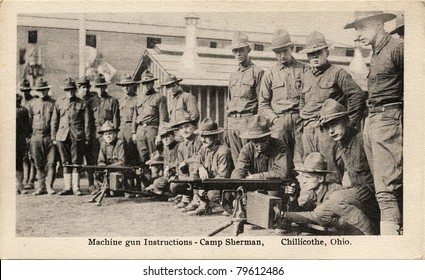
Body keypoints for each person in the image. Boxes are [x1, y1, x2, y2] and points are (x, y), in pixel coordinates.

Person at [344, 11, 403, 234]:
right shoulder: (376, 53)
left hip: (388, 118)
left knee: (386, 187)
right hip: (374, 119)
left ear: (379, 24)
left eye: (362, 27)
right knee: (379, 185)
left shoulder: (398, 48)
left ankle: (391, 242)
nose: (358, 34)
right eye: (356, 29)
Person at [298, 31, 366, 183]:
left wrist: (349, 123)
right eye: (311, 54)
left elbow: (358, 95)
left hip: (327, 130)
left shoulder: (337, 73)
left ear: (326, 52)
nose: (314, 57)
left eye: (318, 52)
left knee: (330, 171)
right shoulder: (306, 76)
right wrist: (303, 119)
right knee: (310, 171)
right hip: (308, 129)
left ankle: (331, 203)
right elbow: (302, 101)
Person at [318, 99, 380, 227]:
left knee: (337, 200)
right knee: (322, 211)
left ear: (346, 121)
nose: (330, 131)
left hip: (375, 198)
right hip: (359, 198)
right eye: (327, 127)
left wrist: (371, 188)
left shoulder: (363, 139)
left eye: (334, 125)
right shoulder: (341, 145)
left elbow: (383, 170)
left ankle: (369, 233)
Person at [284, 152, 376, 235]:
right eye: (303, 177)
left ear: (320, 179)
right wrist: (293, 198)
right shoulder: (314, 195)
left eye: (308, 177)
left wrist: (283, 215)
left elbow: (316, 216)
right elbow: (301, 215)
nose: (303, 181)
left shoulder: (334, 192)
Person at [259, 29, 308, 161]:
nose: (281, 55)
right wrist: (274, 119)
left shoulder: (305, 70)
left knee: (306, 158)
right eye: (278, 52)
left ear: (291, 48)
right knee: (282, 159)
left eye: (284, 51)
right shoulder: (270, 74)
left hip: (300, 120)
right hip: (279, 122)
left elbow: (311, 97)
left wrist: (304, 117)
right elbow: (263, 103)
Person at [231, 114, 298, 201]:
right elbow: (239, 170)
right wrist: (237, 184)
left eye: (263, 141)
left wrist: (254, 178)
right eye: (255, 142)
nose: (259, 146)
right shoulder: (247, 149)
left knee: (273, 193)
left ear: (269, 137)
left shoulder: (280, 147)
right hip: (256, 185)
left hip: (281, 186)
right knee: (231, 192)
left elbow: (281, 173)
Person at [227, 31, 264, 163]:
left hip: (248, 122)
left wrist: (256, 126)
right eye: (235, 51)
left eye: (241, 50)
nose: (238, 54)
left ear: (248, 50)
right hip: (232, 123)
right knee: (237, 161)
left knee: (251, 158)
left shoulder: (258, 72)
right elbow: (229, 101)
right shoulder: (233, 75)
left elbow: (262, 103)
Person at [52, 78, 91, 196]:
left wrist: (87, 137)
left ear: (75, 90)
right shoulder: (59, 102)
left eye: (72, 90)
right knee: (65, 162)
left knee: (76, 161)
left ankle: (76, 188)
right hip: (62, 136)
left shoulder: (82, 103)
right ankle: (67, 187)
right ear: (65, 91)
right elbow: (54, 121)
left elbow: (87, 122)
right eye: (67, 90)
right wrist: (54, 137)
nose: (70, 92)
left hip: (77, 136)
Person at [187, 117, 234, 215]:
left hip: (224, 186)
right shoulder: (204, 148)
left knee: (211, 194)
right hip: (211, 183)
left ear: (215, 136)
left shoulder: (223, 152)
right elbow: (194, 160)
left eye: (207, 136)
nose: (203, 139)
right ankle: (201, 204)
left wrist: (205, 187)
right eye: (202, 136)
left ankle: (226, 206)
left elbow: (223, 178)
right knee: (194, 172)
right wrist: (200, 167)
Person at [132, 70, 168, 164]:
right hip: (140, 130)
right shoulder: (138, 98)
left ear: (152, 83)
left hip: (152, 130)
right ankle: (145, 178)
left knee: (155, 157)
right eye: (144, 84)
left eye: (148, 83)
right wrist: (134, 132)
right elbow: (135, 116)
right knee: (142, 157)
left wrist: (160, 135)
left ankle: (155, 178)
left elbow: (163, 118)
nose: (146, 85)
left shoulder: (159, 97)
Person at [28, 78, 57, 195]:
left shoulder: (54, 103)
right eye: (40, 90)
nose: (42, 92)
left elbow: (56, 121)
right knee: (38, 163)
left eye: (44, 90)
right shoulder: (32, 104)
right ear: (37, 91)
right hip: (36, 137)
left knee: (52, 162)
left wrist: (54, 137)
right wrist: (30, 137)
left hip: (50, 137)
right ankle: (41, 187)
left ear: (47, 90)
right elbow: (29, 121)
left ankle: (49, 186)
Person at [170, 115, 202, 210]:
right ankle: (186, 197)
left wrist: (187, 161)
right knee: (174, 184)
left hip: (201, 172)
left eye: (187, 126)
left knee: (193, 167)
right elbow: (180, 165)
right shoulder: (181, 146)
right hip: (189, 175)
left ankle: (197, 199)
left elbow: (201, 157)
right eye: (181, 128)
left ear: (193, 127)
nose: (184, 130)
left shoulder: (200, 140)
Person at [117, 73, 141, 192]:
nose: (126, 88)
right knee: (124, 158)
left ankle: (137, 187)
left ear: (132, 86)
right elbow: (117, 118)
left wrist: (133, 132)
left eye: (128, 85)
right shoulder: (120, 100)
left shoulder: (137, 99)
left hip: (133, 130)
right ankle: (127, 187)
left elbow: (137, 117)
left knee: (134, 158)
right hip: (122, 130)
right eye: (123, 86)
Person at [77, 76, 97, 193]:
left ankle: (91, 184)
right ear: (79, 88)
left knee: (90, 160)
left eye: (87, 87)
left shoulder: (93, 100)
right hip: (78, 135)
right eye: (83, 87)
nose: (86, 90)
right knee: (77, 161)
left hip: (91, 135)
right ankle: (77, 186)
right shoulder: (76, 100)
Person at [19, 79, 36, 190]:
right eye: (23, 91)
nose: (25, 93)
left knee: (32, 158)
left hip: (32, 132)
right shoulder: (20, 102)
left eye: (27, 90)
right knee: (24, 157)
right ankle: (25, 179)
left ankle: (31, 179)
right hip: (23, 133)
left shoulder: (34, 102)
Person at [16, 93, 31, 195]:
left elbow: (27, 128)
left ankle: (19, 186)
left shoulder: (23, 110)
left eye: (18, 101)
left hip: (19, 141)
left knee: (19, 163)